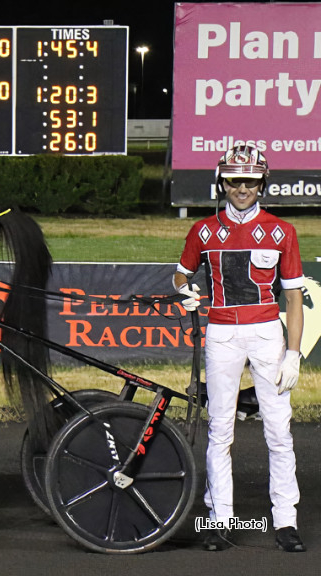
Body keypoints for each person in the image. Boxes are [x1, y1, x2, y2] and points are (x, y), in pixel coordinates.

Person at [173, 144, 305, 553]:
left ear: (262, 181)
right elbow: (179, 276)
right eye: (234, 180)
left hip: (267, 333)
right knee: (220, 430)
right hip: (221, 335)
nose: (242, 188)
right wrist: (186, 293)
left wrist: (294, 353)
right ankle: (220, 519)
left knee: (279, 430)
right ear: (222, 182)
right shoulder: (203, 230)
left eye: (249, 180)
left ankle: (286, 521)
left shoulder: (282, 230)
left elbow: (295, 299)